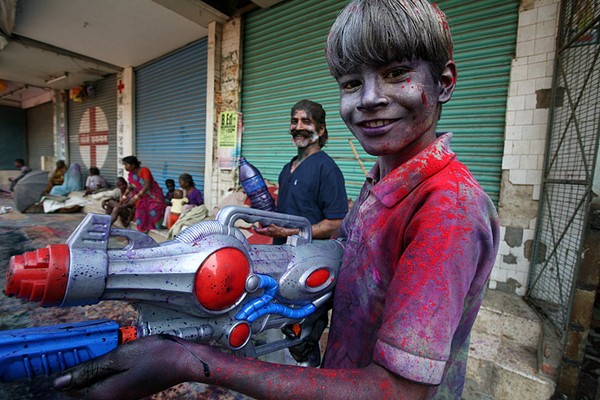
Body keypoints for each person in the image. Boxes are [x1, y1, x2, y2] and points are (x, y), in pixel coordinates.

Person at [52, 1, 500, 399]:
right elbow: (350, 265)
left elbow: (396, 391)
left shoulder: (449, 210)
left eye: (396, 74)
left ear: (443, 83)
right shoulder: (380, 181)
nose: (368, 99)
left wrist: (188, 362)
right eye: (349, 83)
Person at [254, 99, 348, 245]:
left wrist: (290, 233)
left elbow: (335, 223)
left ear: (320, 129)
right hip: (280, 251)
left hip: (309, 258)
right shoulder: (287, 168)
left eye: (306, 121)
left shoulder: (327, 169)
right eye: (294, 121)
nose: (298, 127)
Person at [120, 156, 165, 233]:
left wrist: (136, 197)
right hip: (142, 197)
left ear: (133, 165)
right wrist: (124, 196)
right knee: (140, 214)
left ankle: (155, 231)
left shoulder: (144, 170)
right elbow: (130, 186)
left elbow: (147, 185)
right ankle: (142, 233)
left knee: (153, 212)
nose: (125, 167)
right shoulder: (131, 174)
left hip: (153, 196)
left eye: (126, 165)